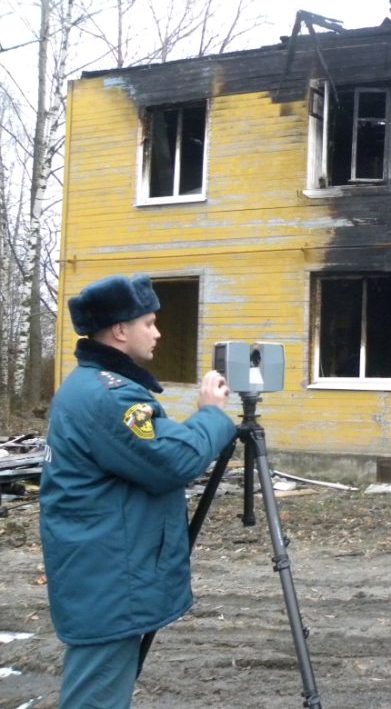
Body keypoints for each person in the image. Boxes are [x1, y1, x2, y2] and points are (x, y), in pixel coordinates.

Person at [40, 273, 238, 708]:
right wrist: (213, 416)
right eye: (149, 322)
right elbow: (173, 461)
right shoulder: (109, 397)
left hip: (103, 570)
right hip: (108, 578)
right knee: (97, 697)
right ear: (119, 330)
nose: (158, 332)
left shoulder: (95, 387)